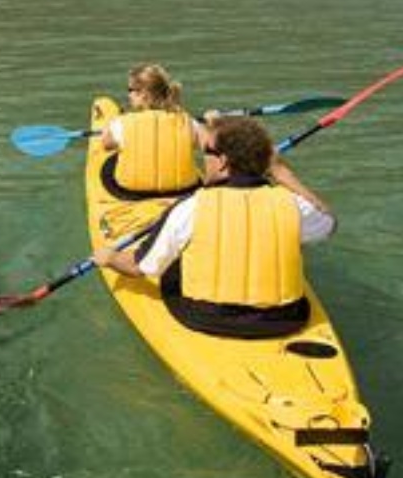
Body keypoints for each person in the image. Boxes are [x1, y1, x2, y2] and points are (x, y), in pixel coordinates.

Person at [97, 115, 336, 339]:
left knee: (175, 263)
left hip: (207, 318)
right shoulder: (294, 205)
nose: (203, 158)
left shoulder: (190, 208)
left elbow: (140, 267)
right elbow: (328, 222)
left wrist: (110, 258)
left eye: (207, 152)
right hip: (284, 319)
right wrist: (282, 172)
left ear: (222, 162)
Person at [98, 63, 205, 199]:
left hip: (133, 193)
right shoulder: (188, 121)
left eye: (130, 90)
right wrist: (212, 120)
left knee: (110, 163)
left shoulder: (122, 123)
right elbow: (204, 143)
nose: (128, 95)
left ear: (143, 94)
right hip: (183, 191)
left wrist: (109, 126)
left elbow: (106, 145)